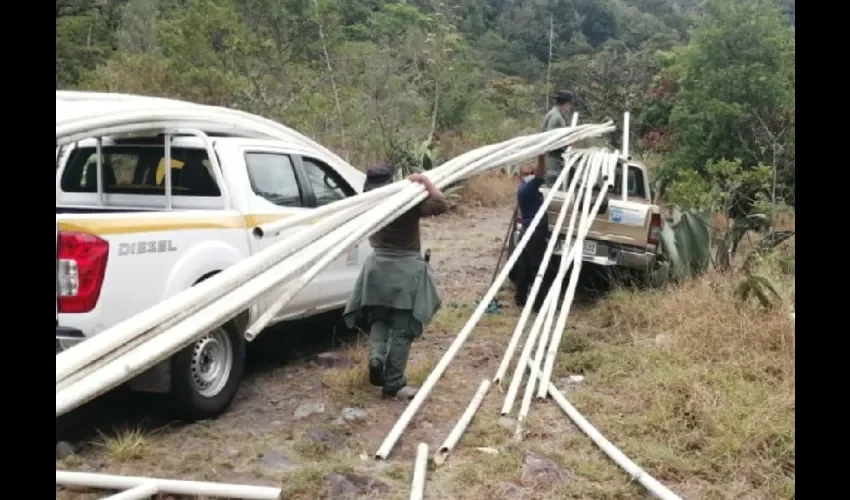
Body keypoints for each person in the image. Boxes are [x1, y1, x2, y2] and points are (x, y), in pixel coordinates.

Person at [343, 165, 447, 400]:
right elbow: (441, 204)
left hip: (377, 268)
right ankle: (393, 383)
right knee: (402, 329)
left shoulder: (369, 203)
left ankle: (376, 358)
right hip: (405, 270)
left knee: (379, 320)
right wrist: (424, 182)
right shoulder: (406, 203)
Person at [513, 155, 550, 311]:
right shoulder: (529, 187)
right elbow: (542, 173)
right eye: (526, 173)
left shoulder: (521, 188)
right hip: (535, 232)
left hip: (527, 230)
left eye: (530, 173)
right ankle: (538, 304)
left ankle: (520, 298)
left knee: (523, 265)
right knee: (537, 267)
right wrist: (542, 157)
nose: (529, 176)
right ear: (521, 176)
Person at [541, 90, 574, 186]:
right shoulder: (556, 118)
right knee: (552, 184)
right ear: (567, 103)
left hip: (551, 157)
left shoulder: (555, 114)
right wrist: (568, 143)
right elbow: (552, 140)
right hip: (552, 158)